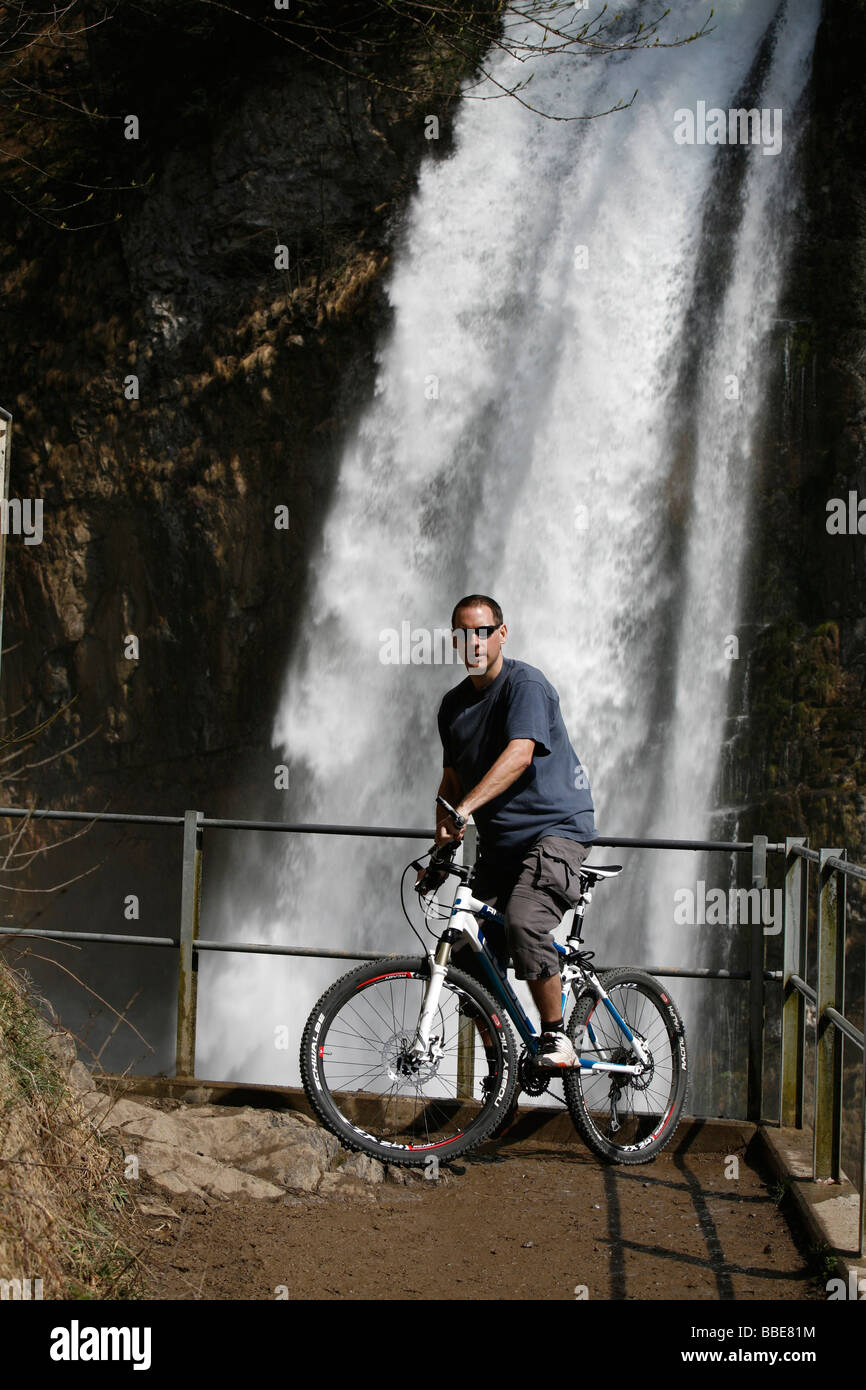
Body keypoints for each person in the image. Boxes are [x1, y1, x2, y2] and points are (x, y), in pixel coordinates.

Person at [430, 593, 598, 1067]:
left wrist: (464, 810)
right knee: (465, 947)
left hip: (556, 830)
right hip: (501, 844)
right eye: (465, 633)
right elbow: (450, 782)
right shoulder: (452, 706)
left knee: (525, 920)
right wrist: (439, 847)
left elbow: (520, 753)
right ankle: (500, 1062)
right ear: (455, 640)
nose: (474, 641)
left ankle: (555, 1036)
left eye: (483, 631)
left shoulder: (526, 685)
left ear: (501, 634)